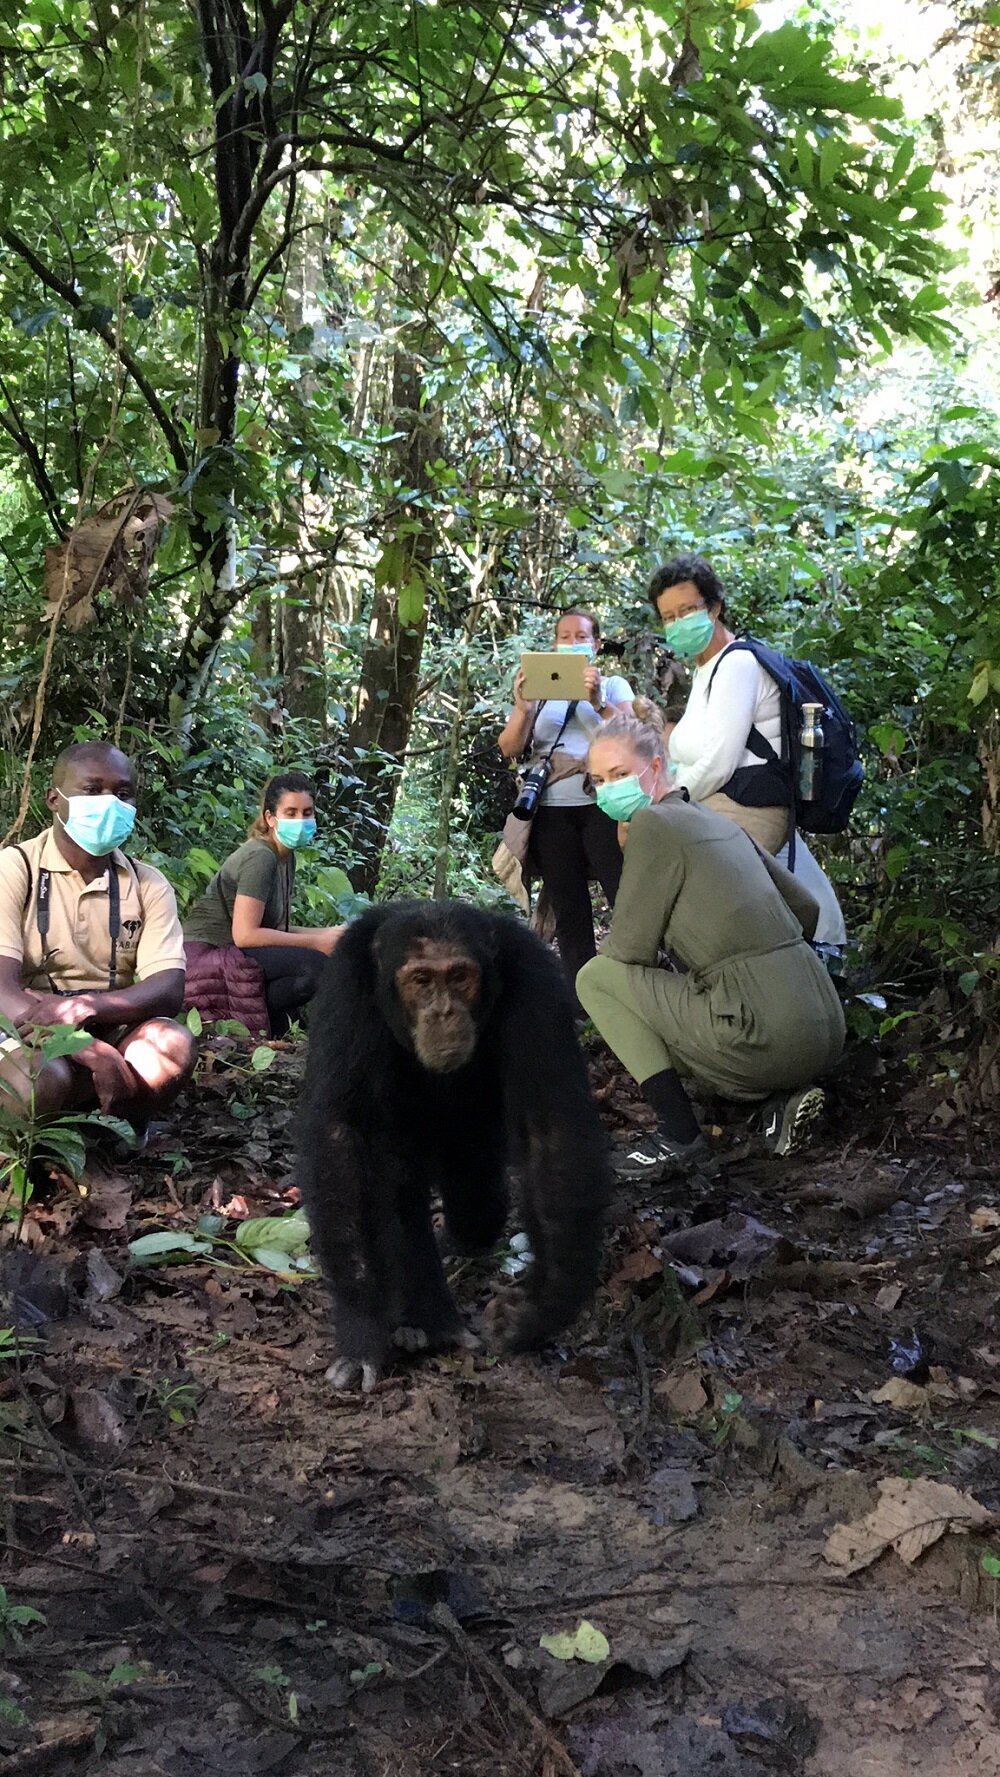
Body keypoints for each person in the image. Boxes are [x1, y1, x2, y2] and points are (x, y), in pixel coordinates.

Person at [577, 708, 846, 1178]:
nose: (607, 790)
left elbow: (627, 954)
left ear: (656, 768)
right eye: (596, 780)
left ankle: (678, 1135)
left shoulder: (652, 825)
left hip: (764, 1035)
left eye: (619, 774)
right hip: (824, 1022)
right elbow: (806, 908)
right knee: (700, 1001)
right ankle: (778, 1105)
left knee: (597, 980)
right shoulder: (718, 820)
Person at [0, 741, 197, 1135]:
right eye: (92, 790)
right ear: (54, 799)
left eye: (122, 793)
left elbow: (168, 988)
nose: (110, 803)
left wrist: (88, 1008)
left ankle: (117, 1128)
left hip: (108, 1021)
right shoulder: (16, 867)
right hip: (27, 1027)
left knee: (171, 1044)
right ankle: (35, 1145)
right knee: (40, 1081)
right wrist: (83, 1047)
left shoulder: (147, 884)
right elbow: (2, 989)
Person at [650, 552, 847, 947]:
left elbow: (720, 763)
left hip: (747, 807)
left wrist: (666, 801)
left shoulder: (737, 664)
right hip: (723, 804)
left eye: (688, 610)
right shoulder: (707, 669)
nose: (678, 623)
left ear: (715, 607)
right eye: (669, 617)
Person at [497, 608, 634, 996]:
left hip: (604, 806)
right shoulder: (541, 691)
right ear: (554, 644)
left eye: (581, 637)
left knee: (623, 895)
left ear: (596, 644)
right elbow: (509, 747)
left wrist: (598, 701)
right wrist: (524, 707)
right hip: (552, 810)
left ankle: (634, 984)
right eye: (565, 637)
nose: (572, 644)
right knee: (569, 906)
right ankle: (583, 997)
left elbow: (633, 738)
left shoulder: (615, 686)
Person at [183, 771, 344, 1035]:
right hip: (206, 957)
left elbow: (276, 930)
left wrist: (331, 934)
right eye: (290, 813)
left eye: (307, 812)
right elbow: (245, 935)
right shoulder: (261, 857)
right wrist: (317, 942)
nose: (300, 820)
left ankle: (270, 1020)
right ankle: (260, 1014)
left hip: (236, 951)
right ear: (271, 818)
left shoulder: (286, 857)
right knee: (316, 968)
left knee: (317, 963)